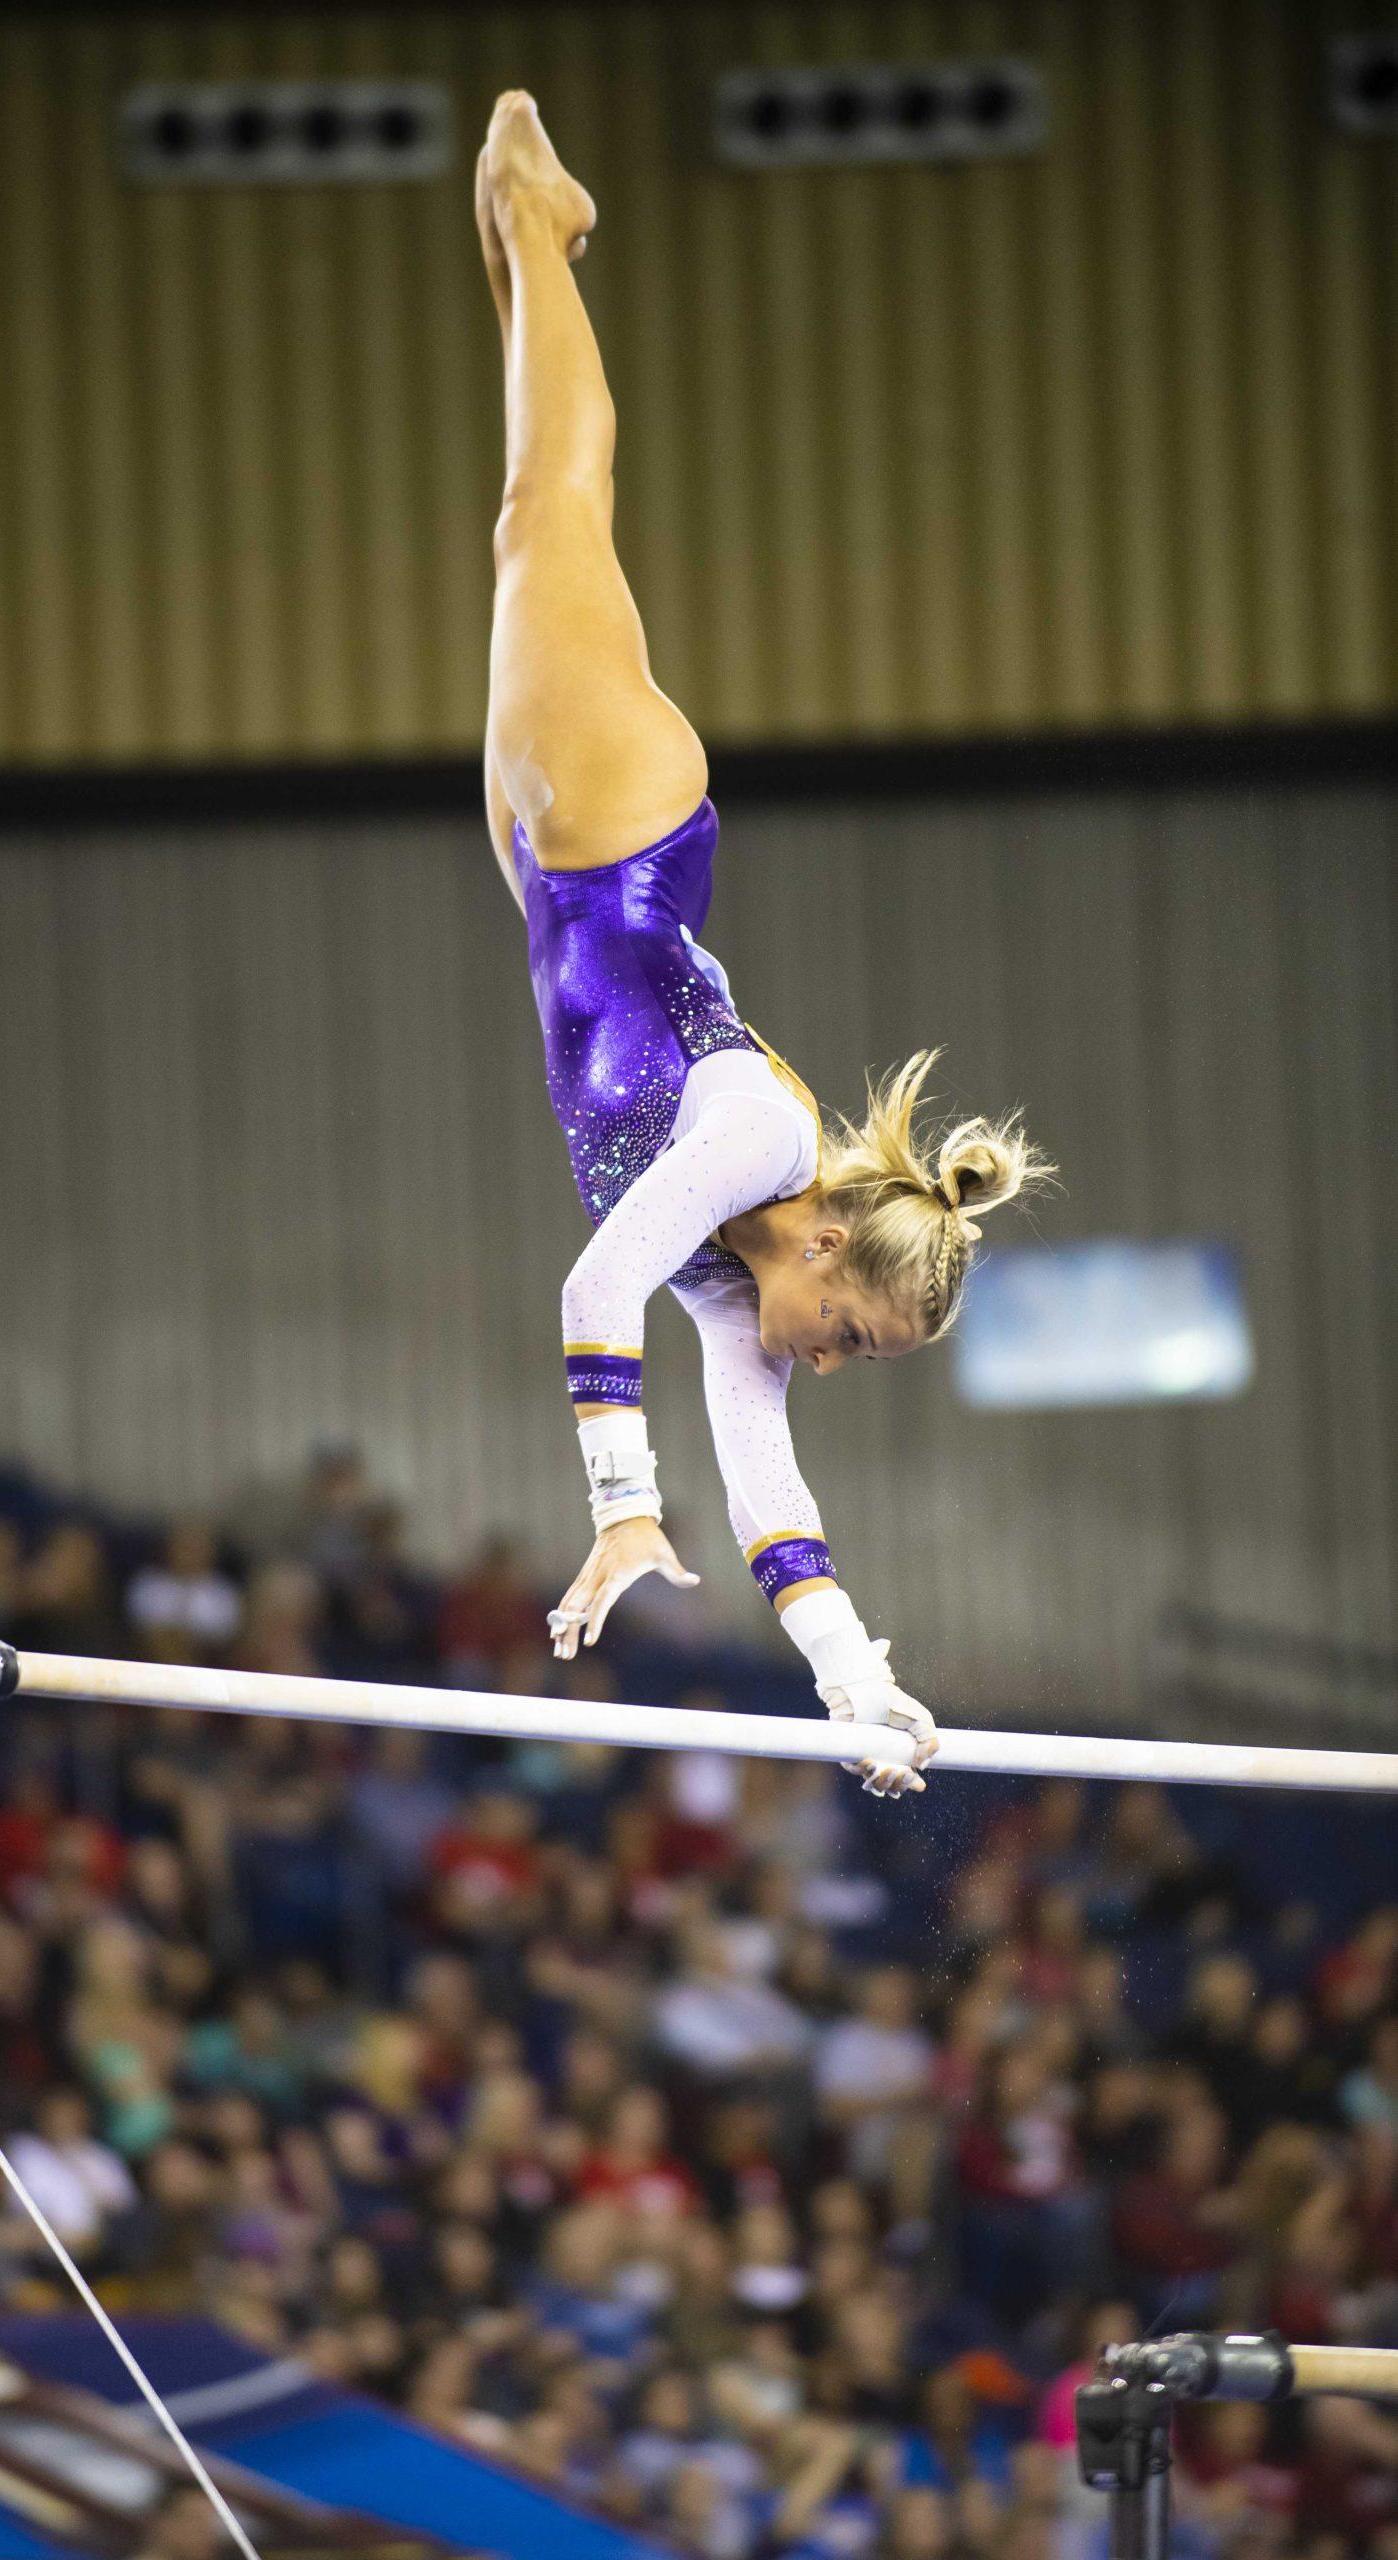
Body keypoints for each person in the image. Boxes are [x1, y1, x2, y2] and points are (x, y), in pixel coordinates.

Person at [474, 94, 1048, 1797]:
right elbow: (590, 1291)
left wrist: (855, 1684)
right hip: (625, 831)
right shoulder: (759, 1143)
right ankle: (535, 212)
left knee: (530, 517)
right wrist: (618, 1511)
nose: (826, 1363)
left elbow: (770, 1496)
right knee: (554, 500)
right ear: (835, 1253)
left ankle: (519, 238)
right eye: (853, 1335)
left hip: (543, 871)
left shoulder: (741, 1284)